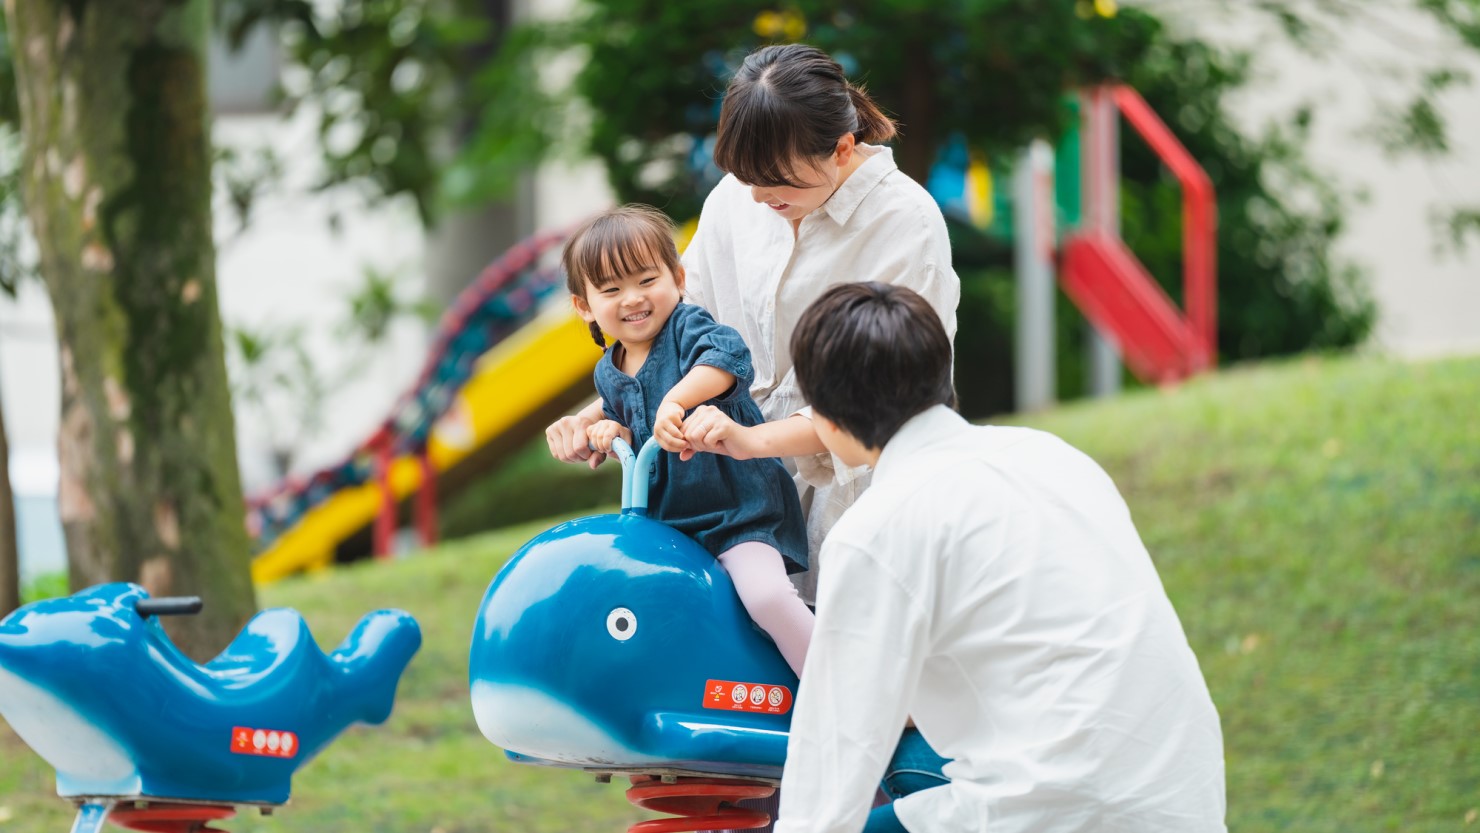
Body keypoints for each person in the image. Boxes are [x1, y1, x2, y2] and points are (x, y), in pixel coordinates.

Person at [773, 282, 1228, 833]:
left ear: (831, 416)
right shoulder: (1055, 457)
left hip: (1059, 808)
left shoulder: (878, 528)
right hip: (1183, 801)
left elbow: (836, 746)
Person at [546, 43, 961, 601]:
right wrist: (598, 411)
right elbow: (680, 338)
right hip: (737, 501)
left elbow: (881, 408)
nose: (762, 196)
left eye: (781, 182)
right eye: (747, 177)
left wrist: (749, 439)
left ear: (842, 148)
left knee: (845, 672)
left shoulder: (904, 226)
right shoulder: (738, 200)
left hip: (864, 506)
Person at [562, 204, 815, 677]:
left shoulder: (687, 328)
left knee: (765, 596)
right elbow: (625, 425)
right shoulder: (608, 372)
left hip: (737, 513)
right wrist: (604, 432)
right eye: (612, 289)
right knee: (644, 609)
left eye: (646, 280)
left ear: (677, 277)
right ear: (584, 305)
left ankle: (843, 691)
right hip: (670, 525)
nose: (633, 298)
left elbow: (728, 358)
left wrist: (676, 402)